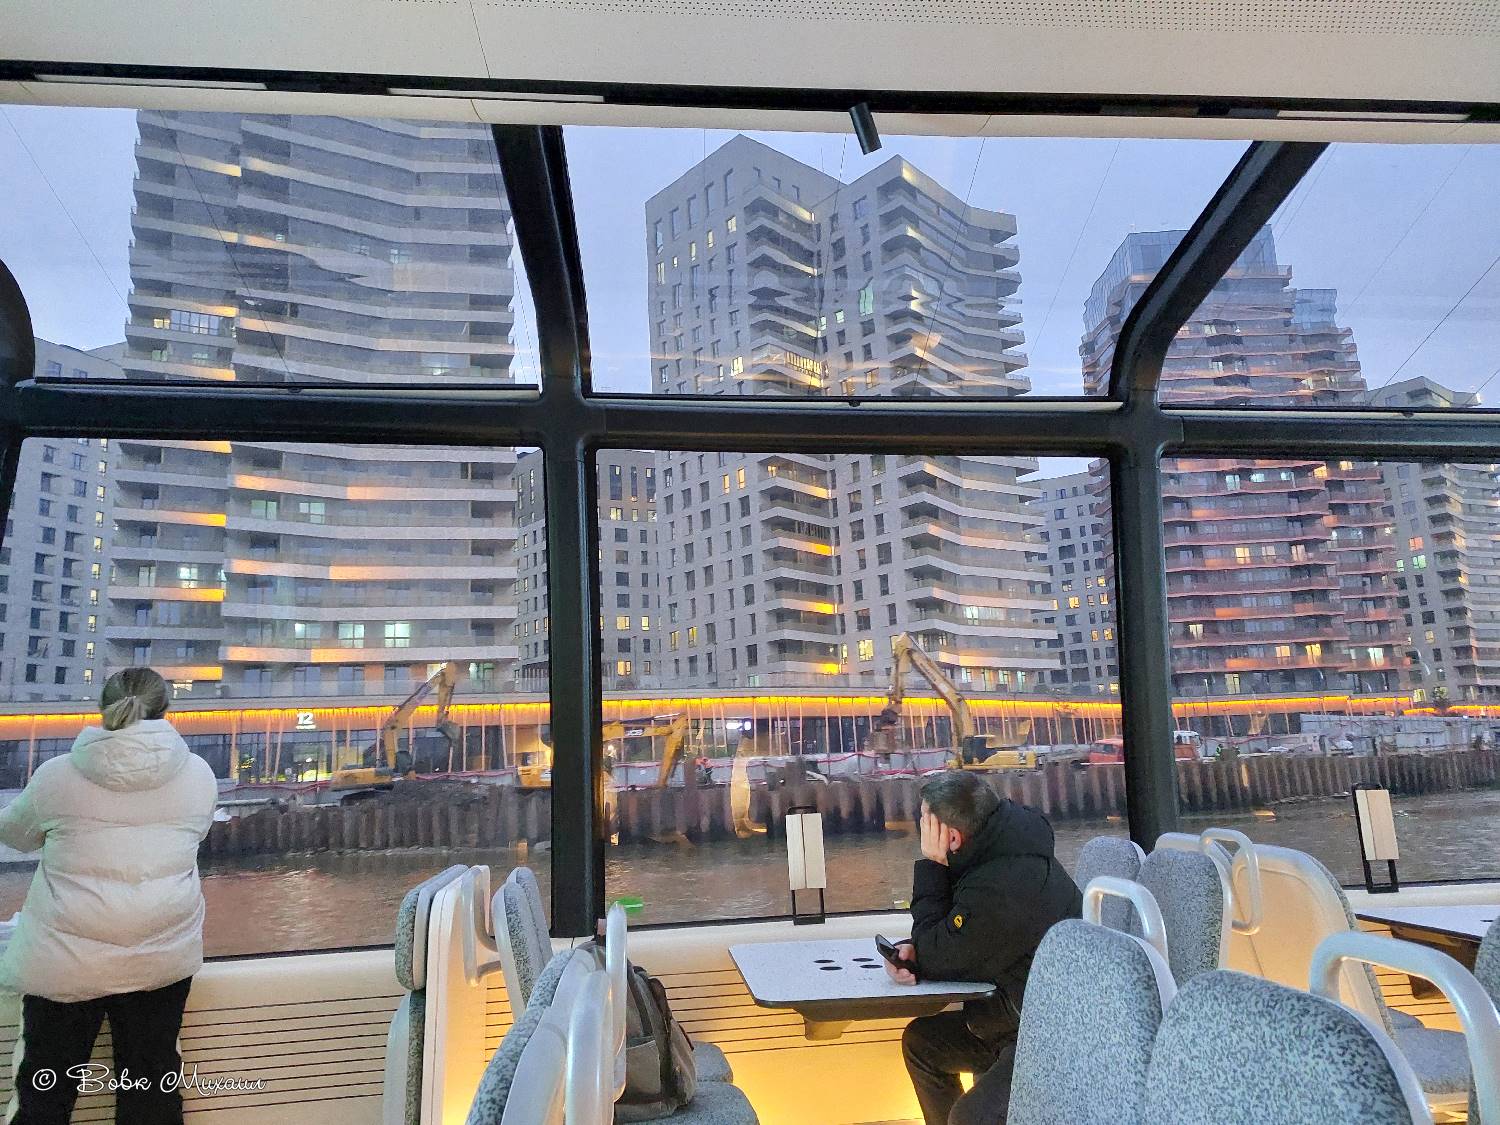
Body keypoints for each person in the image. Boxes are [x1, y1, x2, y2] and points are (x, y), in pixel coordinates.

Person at [0, 667, 217, 1125]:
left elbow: (16, 835)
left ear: (103, 707)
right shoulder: (198, 774)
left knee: (45, 1091)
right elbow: (193, 834)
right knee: (152, 1090)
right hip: (159, 956)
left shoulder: (57, 776)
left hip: (65, 960)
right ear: (165, 709)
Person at [887, 770, 1082, 1125]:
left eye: (925, 823)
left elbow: (940, 956)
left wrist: (933, 866)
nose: (921, 831)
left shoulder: (1002, 884)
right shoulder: (999, 849)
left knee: (969, 1117)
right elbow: (953, 936)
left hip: (1051, 1035)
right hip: (1017, 1013)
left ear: (951, 837)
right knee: (922, 1044)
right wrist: (915, 949)